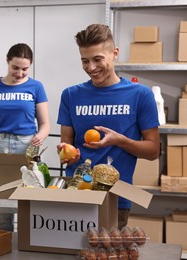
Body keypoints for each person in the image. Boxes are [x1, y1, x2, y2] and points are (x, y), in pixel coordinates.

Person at [57, 24, 160, 229]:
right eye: (85, 61)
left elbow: (153, 151)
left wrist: (119, 140)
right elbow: (66, 144)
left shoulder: (140, 95)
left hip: (115, 198)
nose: (91, 68)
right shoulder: (70, 95)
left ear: (114, 54)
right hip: (77, 193)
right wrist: (67, 153)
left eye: (97, 59)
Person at [0, 43, 50, 231]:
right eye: (15, 67)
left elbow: (45, 124)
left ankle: (28, 244)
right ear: (7, 61)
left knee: (30, 198)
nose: (20, 73)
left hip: (27, 145)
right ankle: (2, 243)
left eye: (25, 69)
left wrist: (41, 136)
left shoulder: (36, 87)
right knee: (0, 199)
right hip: (0, 144)